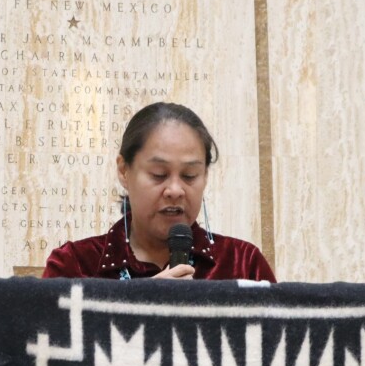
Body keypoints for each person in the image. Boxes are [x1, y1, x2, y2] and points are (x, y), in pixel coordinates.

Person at [42, 102, 276, 282]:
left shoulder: (243, 264)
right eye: (158, 174)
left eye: (189, 176)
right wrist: (143, 302)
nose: (175, 190)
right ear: (124, 171)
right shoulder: (74, 265)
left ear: (205, 176)